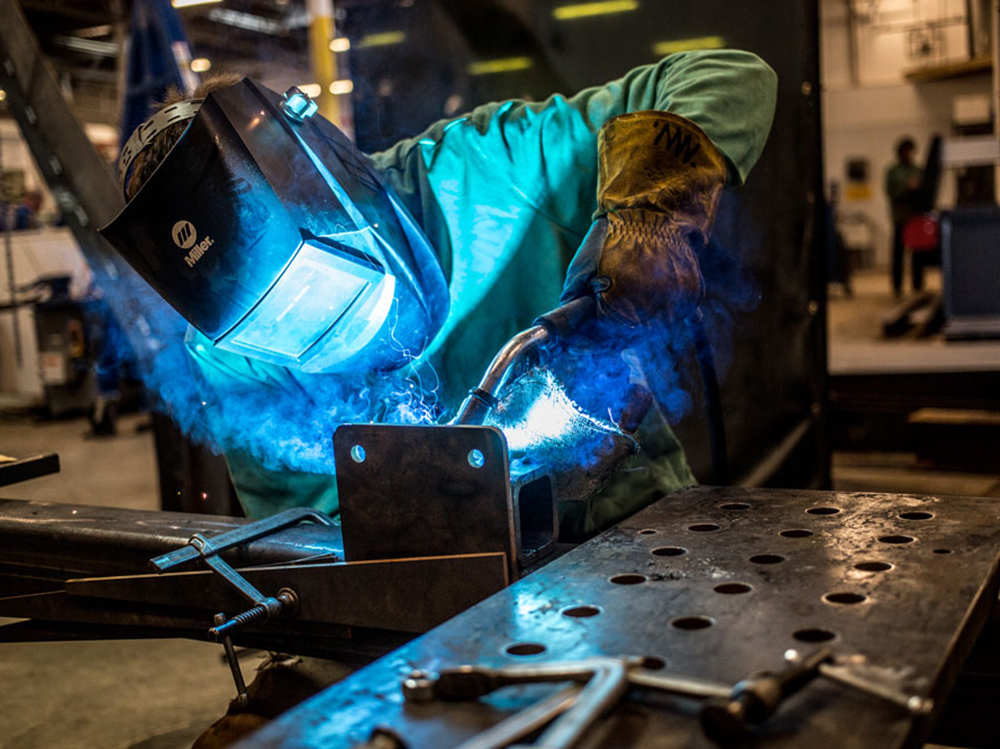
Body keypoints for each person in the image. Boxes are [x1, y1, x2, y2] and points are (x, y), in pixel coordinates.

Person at [105, 51, 777, 537]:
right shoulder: (233, 363)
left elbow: (728, 76)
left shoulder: (488, 171)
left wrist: (652, 209)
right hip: (443, 622)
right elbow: (312, 538)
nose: (330, 330)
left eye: (322, 279)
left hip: (642, 534)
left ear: (334, 161)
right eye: (278, 322)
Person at [885, 137, 924, 296]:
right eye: (905, 150)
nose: (908, 154)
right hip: (899, 218)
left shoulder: (918, 170)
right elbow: (891, 192)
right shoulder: (893, 172)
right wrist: (907, 187)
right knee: (898, 254)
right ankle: (897, 286)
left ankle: (917, 285)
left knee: (918, 254)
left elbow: (925, 190)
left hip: (915, 218)